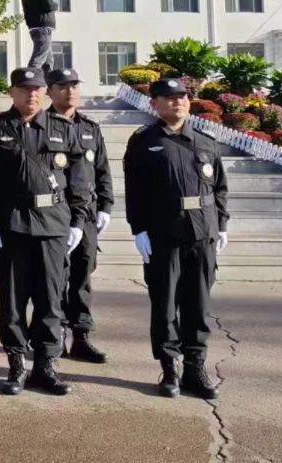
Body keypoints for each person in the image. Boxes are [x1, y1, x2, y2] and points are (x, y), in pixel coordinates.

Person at [0, 66, 86, 397]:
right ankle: (17, 364)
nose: (31, 94)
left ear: (45, 92)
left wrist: (78, 221)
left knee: (50, 299)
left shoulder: (63, 128)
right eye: (24, 89)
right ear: (12, 92)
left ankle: (46, 366)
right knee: (13, 300)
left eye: (36, 89)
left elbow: (79, 180)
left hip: (53, 224)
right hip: (13, 224)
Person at [124, 78, 229, 400]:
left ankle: (195, 367)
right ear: (154, 103)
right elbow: (134, 191)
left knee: (198, 304)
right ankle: (169, 367)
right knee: (165, 303)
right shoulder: (144, 142)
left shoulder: (205, 141)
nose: (178, 102)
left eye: (182, 97)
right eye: (169, 98)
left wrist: (221, 225)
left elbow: (219, 187)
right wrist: (139, 229)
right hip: (164, 233)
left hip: (202, 232)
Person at [46, 67, 114, 364]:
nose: (70, 91)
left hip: (85, 215)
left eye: (74, 85)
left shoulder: (89, 128)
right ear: (49, 91)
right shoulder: (42, 125)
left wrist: (106, 206)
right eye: (62, 86)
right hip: (55, 214)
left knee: (82, 274)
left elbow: (102, 170)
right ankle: (56, 333)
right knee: (55, 276)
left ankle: (81, 335)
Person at [20, 0, 57, 70]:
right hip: (43, 28)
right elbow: (48, 5)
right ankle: (29, 78)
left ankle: (47, 80)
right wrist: (56, 5)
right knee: (38, 59)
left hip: (34, 27)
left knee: (48, 60)